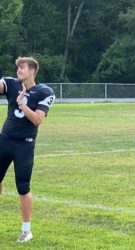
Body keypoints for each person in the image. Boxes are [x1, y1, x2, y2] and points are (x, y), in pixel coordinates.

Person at [0, 57, 55, 242]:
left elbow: (38, 120)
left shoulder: (44, 92)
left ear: (32, 70)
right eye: (17, 68)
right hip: (4, 140)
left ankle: (26, 230)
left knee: (23, 188)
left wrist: (22, 104)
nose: (18, 71)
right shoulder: (10, 83)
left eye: (22, 68)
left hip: (24, 144)